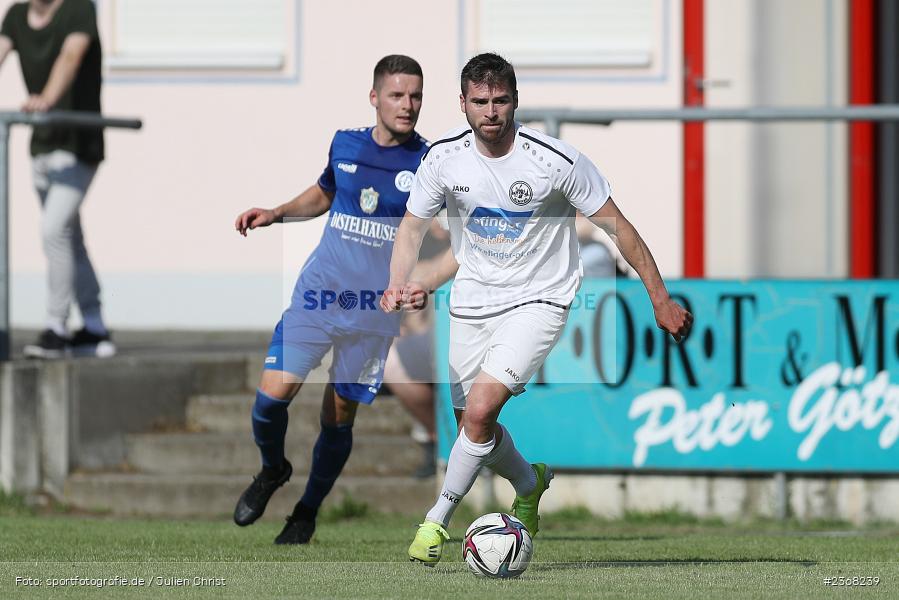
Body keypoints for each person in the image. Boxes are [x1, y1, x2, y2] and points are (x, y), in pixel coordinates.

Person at [381, 52, 693, 566]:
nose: (491, 112)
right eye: (480, 101)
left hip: (540, 300)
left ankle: (435, 522)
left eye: (500, 100)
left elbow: (619, 228)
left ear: (515, 101)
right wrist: (399, 285)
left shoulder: (555, 161)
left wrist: (659, 298)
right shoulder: (443, 159)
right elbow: (412, 228)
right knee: (472, 428)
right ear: (462, 103)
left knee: (480, 411)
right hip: (472, 302)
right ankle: (529, 482)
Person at [232, 55, 434, 545]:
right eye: (397, 95)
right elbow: (325, 192)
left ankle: (306, 512)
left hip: (372, 312)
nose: (407, 105)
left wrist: (423, 282)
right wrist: (277, 212)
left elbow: (440, 229)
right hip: (319, 295)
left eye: (415, 96)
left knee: (339, 415)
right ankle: (273, 468)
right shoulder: (345, 143)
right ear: (374, 97)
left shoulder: (430, 161)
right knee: (269, 400)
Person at [0, 0, 114, 358]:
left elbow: (70, 56)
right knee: (69, 238)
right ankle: (94, 326)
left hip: (78, 144)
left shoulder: (78, 9)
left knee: (54, 230)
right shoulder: (16, 16)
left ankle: (56, 327)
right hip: (43, 144)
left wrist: (46, 100)